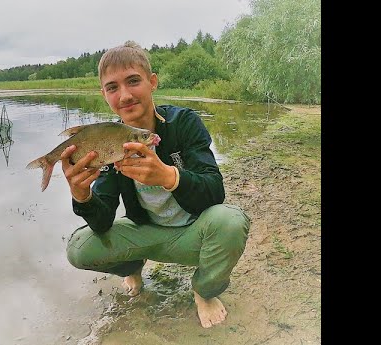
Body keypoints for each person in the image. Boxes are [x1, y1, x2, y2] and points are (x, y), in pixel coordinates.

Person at [60, 40, 250, 328]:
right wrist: (82, 195)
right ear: (104, 95)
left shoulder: (184, 123)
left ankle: (204, 291)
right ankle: (132, 266)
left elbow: (214, 192)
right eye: (113, 87)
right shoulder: (107, 143)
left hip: (191, 233)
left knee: (231, 221)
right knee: (79, 248)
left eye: (133, 81)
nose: (124, 95)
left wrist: (168, 177)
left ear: (152, 82)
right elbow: (102, 223)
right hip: (143, 232)